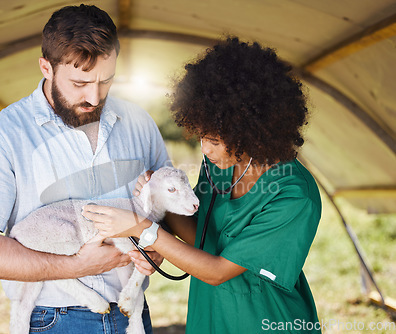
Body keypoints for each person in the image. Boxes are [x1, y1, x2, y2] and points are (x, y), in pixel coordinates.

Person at [0, 4, 168, 334]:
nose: (94, 97)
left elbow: (169, 205)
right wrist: (74, 266)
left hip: (134, 315)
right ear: (46, 67)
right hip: (55, 319)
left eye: (105, 80)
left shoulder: (139, 123)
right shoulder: (1, 136)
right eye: (80, 83)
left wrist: (158, 246)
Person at [83, 37, 322, 333]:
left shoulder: (293, 195)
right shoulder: (220, 164)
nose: (204, 150)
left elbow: (218, 270)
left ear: (251, 130)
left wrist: (141, 228)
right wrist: (160, 200)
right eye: (200, 136)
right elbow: (203, 235)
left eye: (214, 140)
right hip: (209, 317)